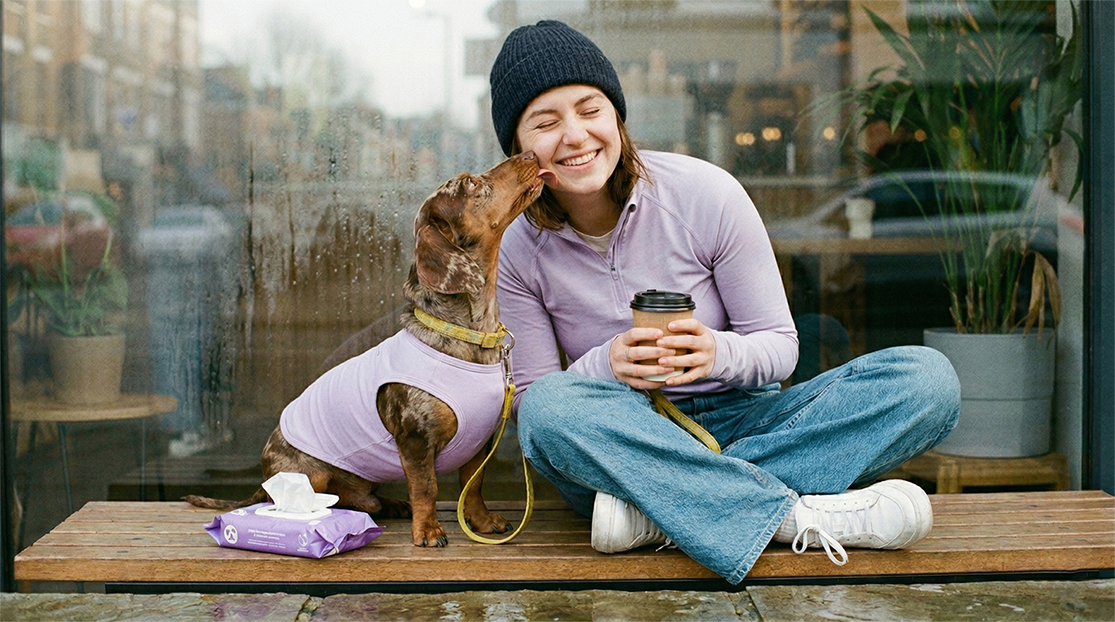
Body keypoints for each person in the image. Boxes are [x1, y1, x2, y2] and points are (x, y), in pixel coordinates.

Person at [490, 20, 960, 583]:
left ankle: (663, 514)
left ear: (617, 116)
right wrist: (606, 364)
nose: (574, 135)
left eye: (590, 110)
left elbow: (780, 349)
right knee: (550, 414)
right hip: (626, 434)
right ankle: (794, 515)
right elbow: (533, 400)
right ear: (518, 149)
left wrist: (716, 355)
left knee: (928, 381)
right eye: (546, 122)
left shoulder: (704, 192)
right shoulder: (516, 247)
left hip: (746, 418)